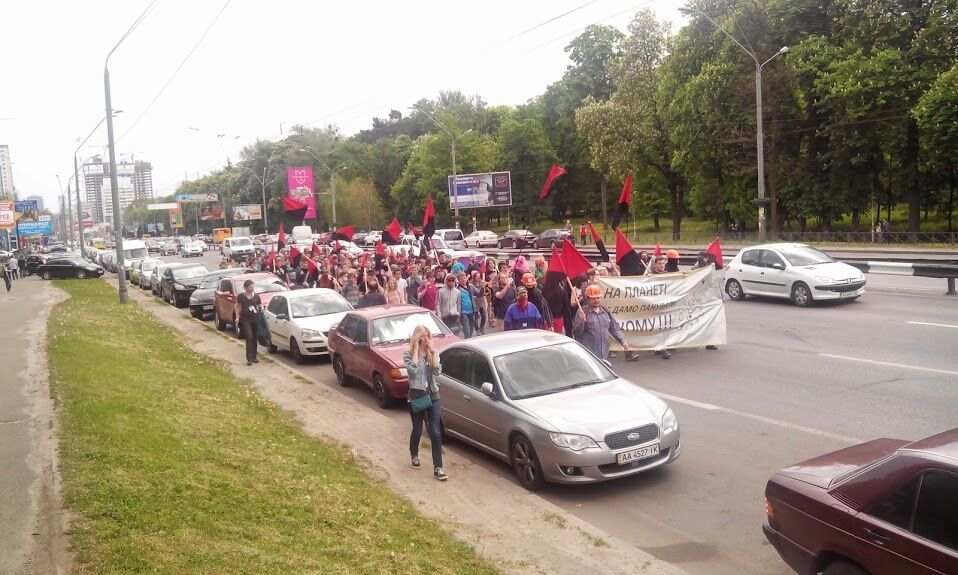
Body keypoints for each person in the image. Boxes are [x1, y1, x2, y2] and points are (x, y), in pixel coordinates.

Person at [403, 325, 447, 481]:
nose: (426, 339)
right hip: (417, 396)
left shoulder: (432, 353)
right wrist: (415, 350)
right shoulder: (408, 354)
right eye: (423, 336)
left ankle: (438, 468)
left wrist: (433, 352)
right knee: (417, 429)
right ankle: (414, 454)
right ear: (417, 338)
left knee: (435, 431)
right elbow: (413, 371)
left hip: (433, 395)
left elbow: (437, 372)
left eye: (428, 336)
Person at [573, 284, 638, 361]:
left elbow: (614, 328)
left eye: (598, 297)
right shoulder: (582, 312)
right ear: (588, 299)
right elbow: (576, 333)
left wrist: (623, 341)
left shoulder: (605, 311)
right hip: (589, 355)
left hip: (604, 354)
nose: (596, 300)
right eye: (593, 298)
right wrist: (581, 322)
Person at [234, 279, 263, 366]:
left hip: (255, 319)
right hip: (245, 319)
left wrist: (261, 309)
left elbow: (259, 306)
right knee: (249, 336)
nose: (252, 288)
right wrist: (237, 317)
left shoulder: (256, 296)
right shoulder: (241, 296)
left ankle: (254, 357)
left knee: (254, 337)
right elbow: (237, 307)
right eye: (250, 287)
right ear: (245, 288)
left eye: (253, 286)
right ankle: (249, 359)